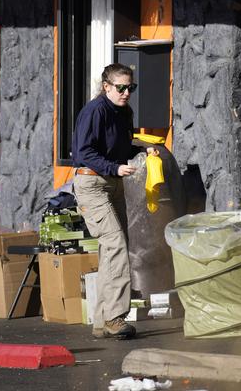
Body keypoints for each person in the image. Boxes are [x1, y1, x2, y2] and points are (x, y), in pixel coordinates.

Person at [72, 63, 156, 339]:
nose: (125, 92)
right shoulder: (94, 111)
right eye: (120, 87)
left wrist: (143, 148)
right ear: (106, 86)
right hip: (91, 183)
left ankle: (102, 321)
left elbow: (120, 144)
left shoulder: (125, 112)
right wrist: (115, 168)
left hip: (113, 183)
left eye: (130, 87)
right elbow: (82, 152)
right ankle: (116, 317)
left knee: (113, 250)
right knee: (116, 245)